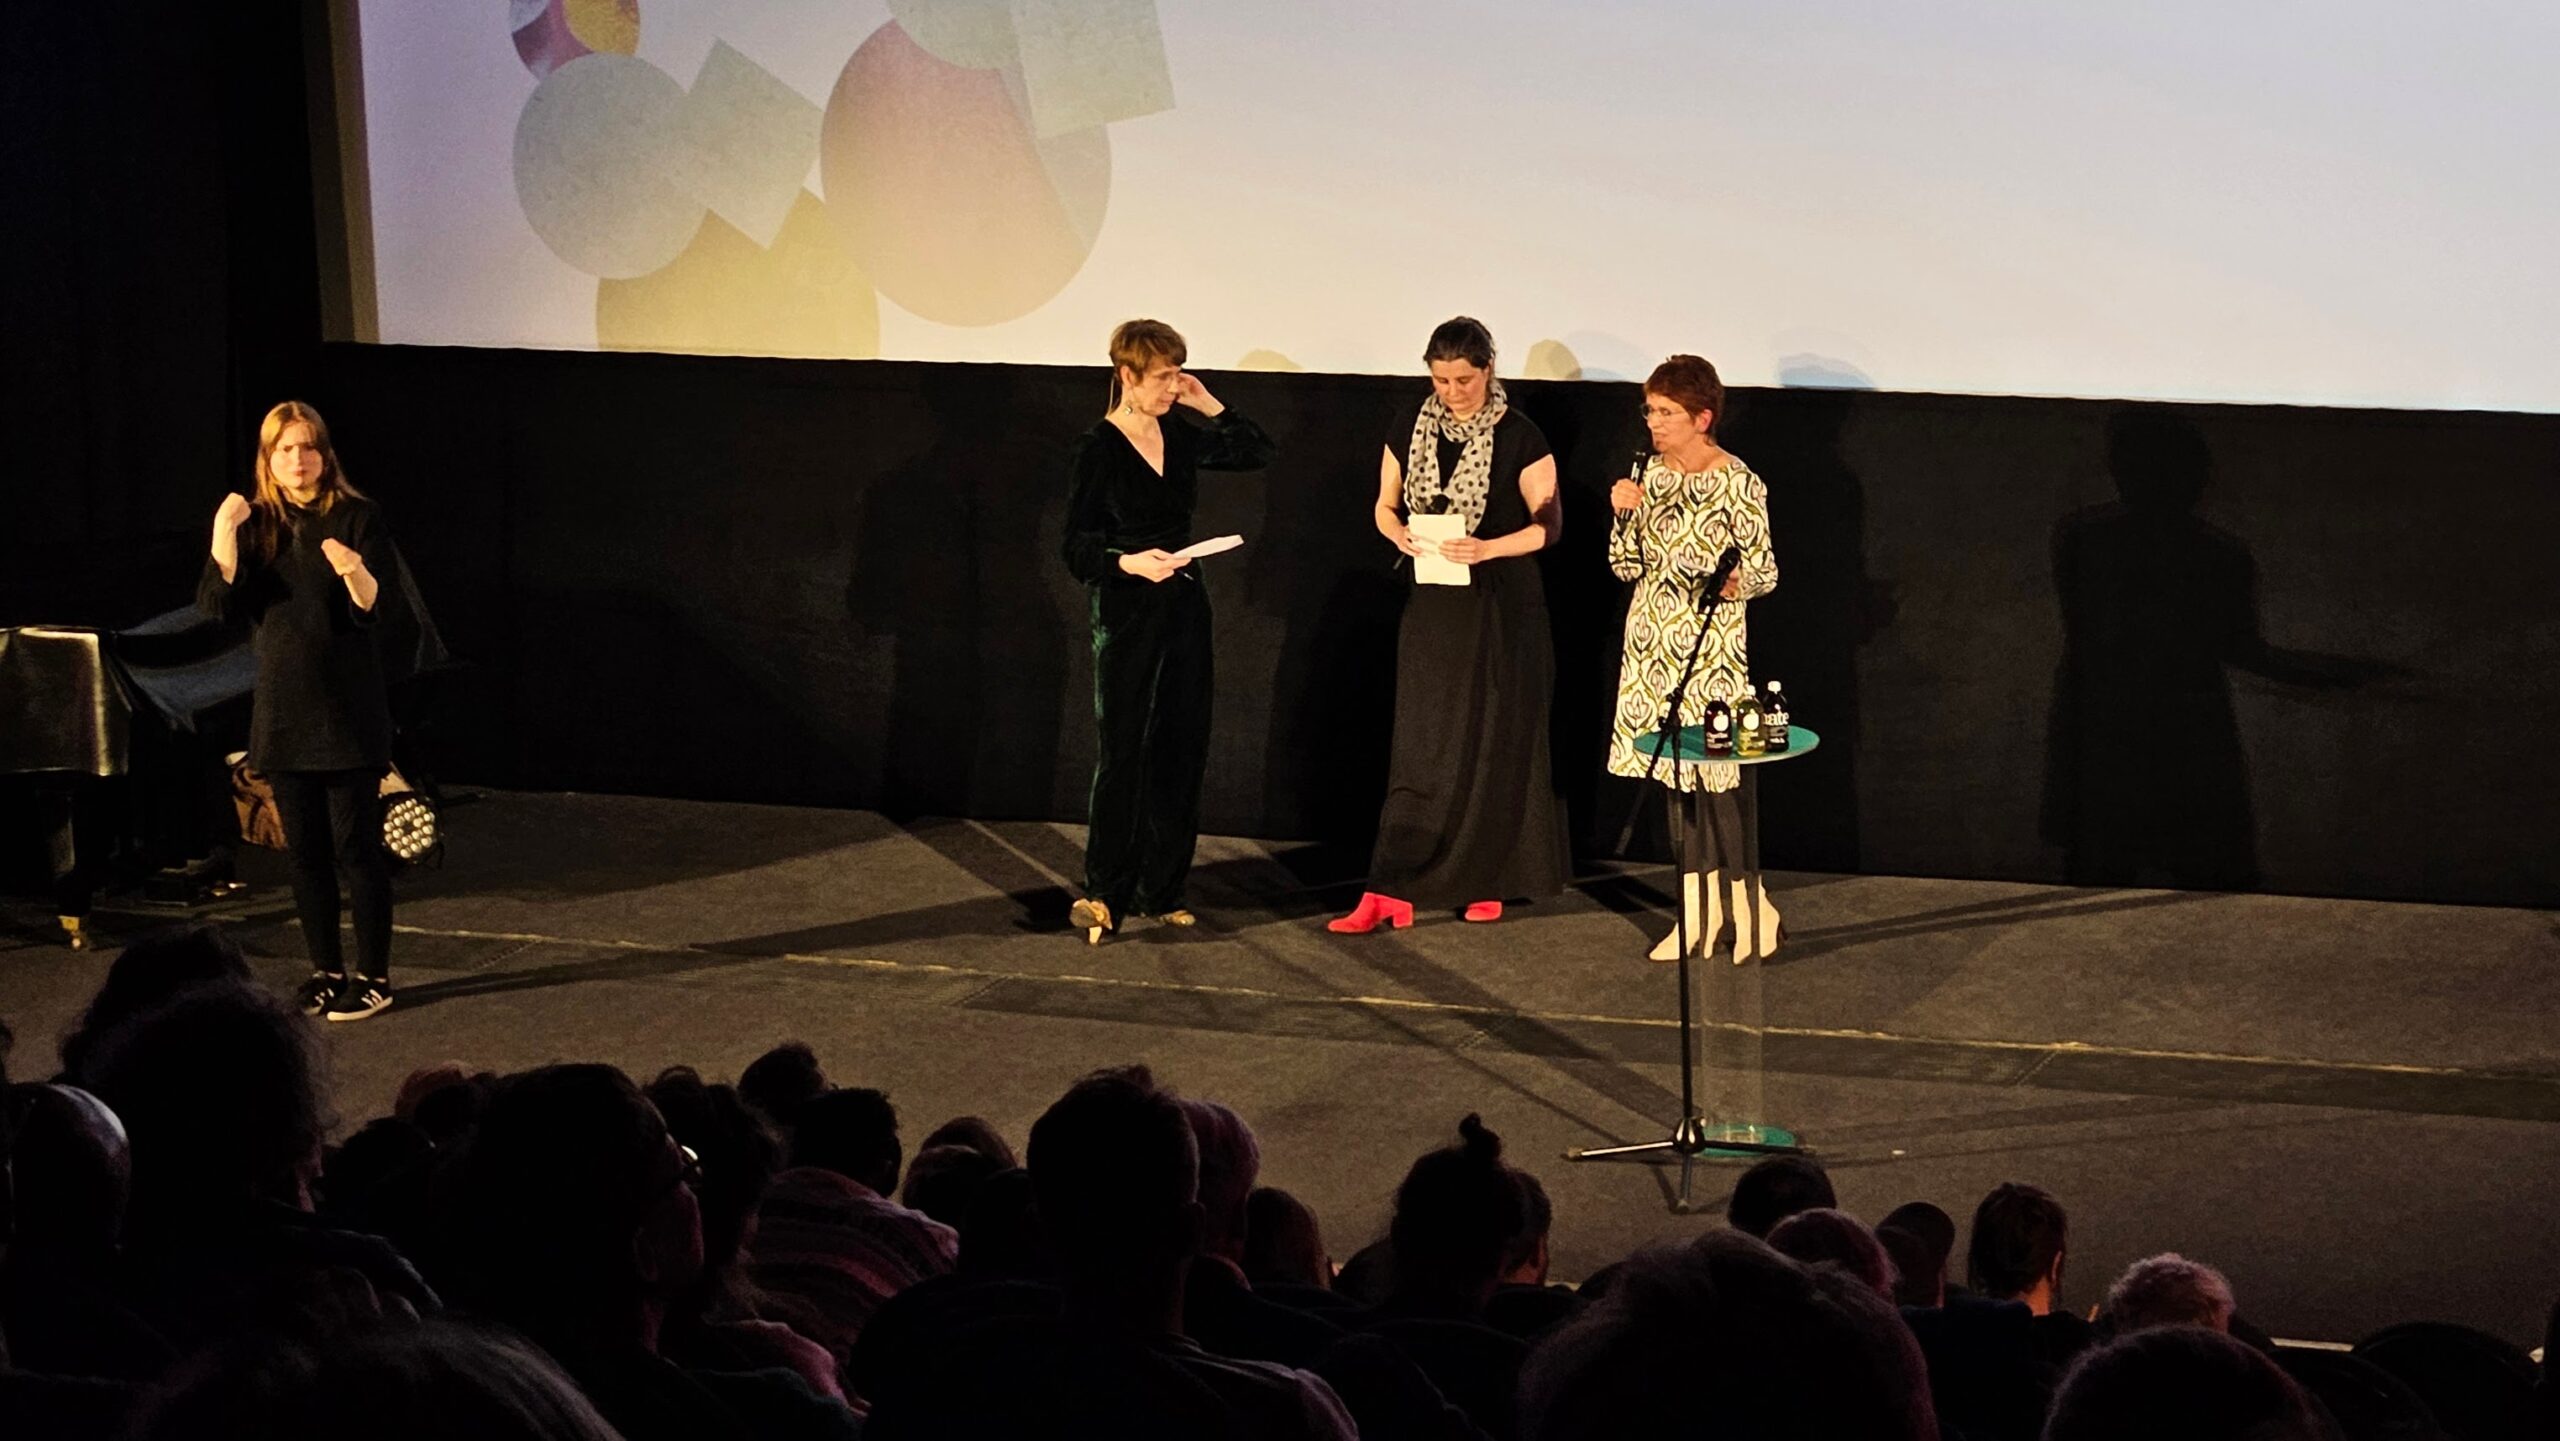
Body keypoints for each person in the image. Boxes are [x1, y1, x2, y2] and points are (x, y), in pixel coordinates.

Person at [1332, 317, 1568, 932]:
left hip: (1501, 603)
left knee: (1491, 737)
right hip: (1434, 599)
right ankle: (1391, 885)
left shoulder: (1521, 436)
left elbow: (1550, 527)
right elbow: (1385, 505)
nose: (1452, 390)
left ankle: (1486, 876)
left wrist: (1488, 548)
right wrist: (1399, 533)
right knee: (1423, 740)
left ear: (1488, 370)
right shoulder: (1410, 427)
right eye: (1440, 379)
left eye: (1464, 379)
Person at [1062, 321, 1277, 943]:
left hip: (1183, 602)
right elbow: (1075, 546)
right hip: (1127, 608)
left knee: (1182, 745)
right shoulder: (1097, 447)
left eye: (1177, 373)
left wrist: (1207, 402)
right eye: (1161, 377)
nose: (1171, 387)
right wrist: (1128, 562)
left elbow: (1256, 450)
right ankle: (1104, 893)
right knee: (1124, 749)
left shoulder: (1180, 434)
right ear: (1126, 376)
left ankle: (1163, 888)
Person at [198, 401, 401, 1020]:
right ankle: (325, 969)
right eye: (285, 449)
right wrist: (221, 533)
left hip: (347, 711)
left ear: (325, 453)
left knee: (357, 850)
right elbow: (215, 607)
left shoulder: (356, 515)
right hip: (284, 713)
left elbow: (377, 611)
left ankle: (373, 977)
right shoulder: (257, 525)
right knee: (305, 853)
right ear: (268, 459)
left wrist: (354, 571)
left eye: (308, 447)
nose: (298, 459)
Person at [1606, 356, 1781, 962]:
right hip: (1652, 644)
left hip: (1711, 647)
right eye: (1650, 411)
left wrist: (1736, 582)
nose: (1654, 423)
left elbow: (1765, 569)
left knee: (1717, 782)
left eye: (1667, 413)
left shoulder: (1739, 481)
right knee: (1676, 785)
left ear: (1701, 417)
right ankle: (1695, 916)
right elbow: (1624, 566)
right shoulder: (1647, 477)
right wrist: (1622, 514)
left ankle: (1749, 905)